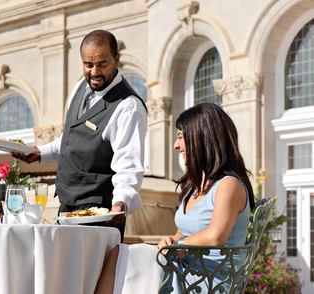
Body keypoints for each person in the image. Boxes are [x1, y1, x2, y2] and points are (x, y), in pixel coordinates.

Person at [94, 103, 255, 294]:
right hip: (184, 266)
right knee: (118, 255)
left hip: (209, 280)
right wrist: (171, 240)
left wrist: (179, 245)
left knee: (121, 257)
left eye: (180, 136)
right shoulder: (193, 186)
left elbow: (215, 236)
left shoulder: (229, 185)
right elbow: (182, 233)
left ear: (202, 137)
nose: (176, 145)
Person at [12, 30, 147, 238]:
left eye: (102, 64)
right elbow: (70, 139)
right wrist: (39, 153)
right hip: (67, 207)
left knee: (91, 271)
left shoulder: (128, 106)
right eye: (88, 64)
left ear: (117, 60)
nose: (94, 72)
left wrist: (121, 203)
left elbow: (128, 164)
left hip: (100, 213)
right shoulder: (79, 89)